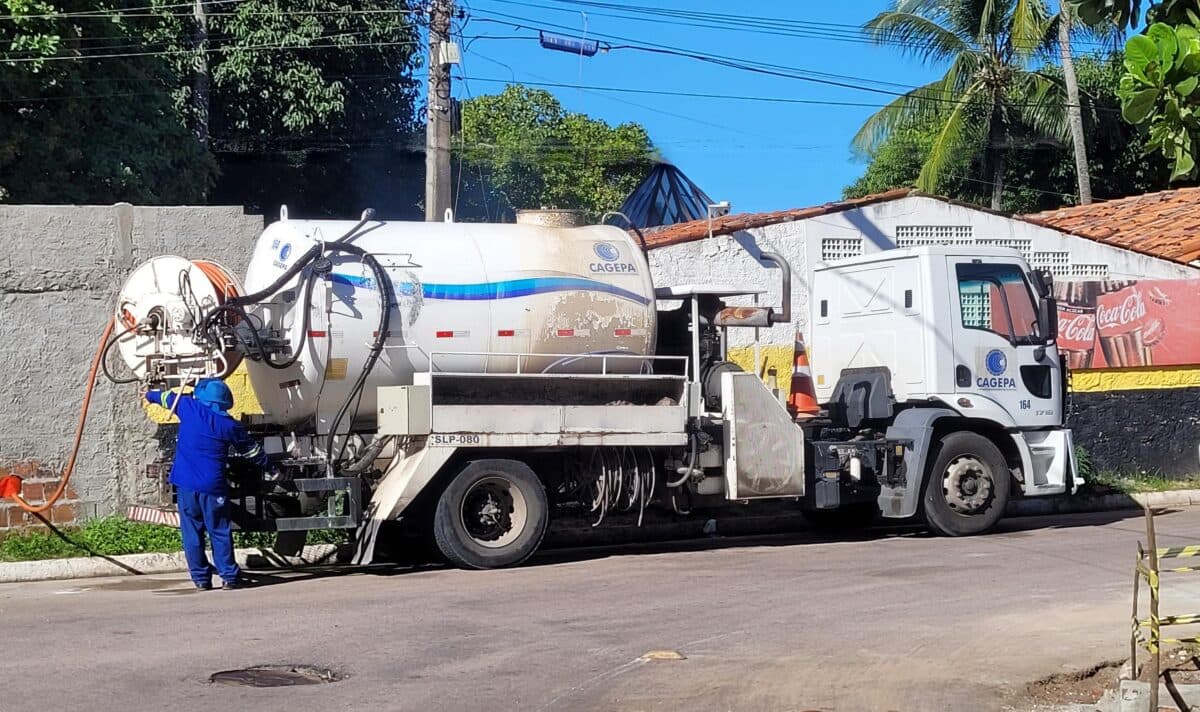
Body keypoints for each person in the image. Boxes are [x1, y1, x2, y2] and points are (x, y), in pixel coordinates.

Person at [145, 378, 271, 590]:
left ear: (202, 396)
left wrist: (149, 395)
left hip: (186, 485)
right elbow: (252, 452)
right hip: (213, 488)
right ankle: (229, 577)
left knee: (192, 533)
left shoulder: (187, 407)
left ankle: (201, 580)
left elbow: (165, 398)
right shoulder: (229, 425)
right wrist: (272, 469)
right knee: (219, 531)